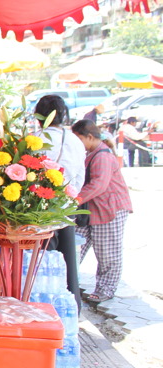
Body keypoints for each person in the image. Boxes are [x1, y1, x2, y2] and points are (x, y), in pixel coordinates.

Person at [71, 120, 133, 305]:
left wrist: (76, 199)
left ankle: (105, 290)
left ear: (90, 137)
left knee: (107, 254)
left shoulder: (102, 156)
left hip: (108, 210)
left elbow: (99, 184)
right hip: (91, 211)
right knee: (75, 247)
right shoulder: (92, 153)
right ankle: (71, 283)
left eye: (79, 139)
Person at [34, 94, 87, 311]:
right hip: (66, 209)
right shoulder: (75, 140)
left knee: (43, 264)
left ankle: (43, 306)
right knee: (67, 263)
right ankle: (72, 307)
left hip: (39, 213)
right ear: (63, 115)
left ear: (39, 116)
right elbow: (81, 176)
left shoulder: (37, 139)